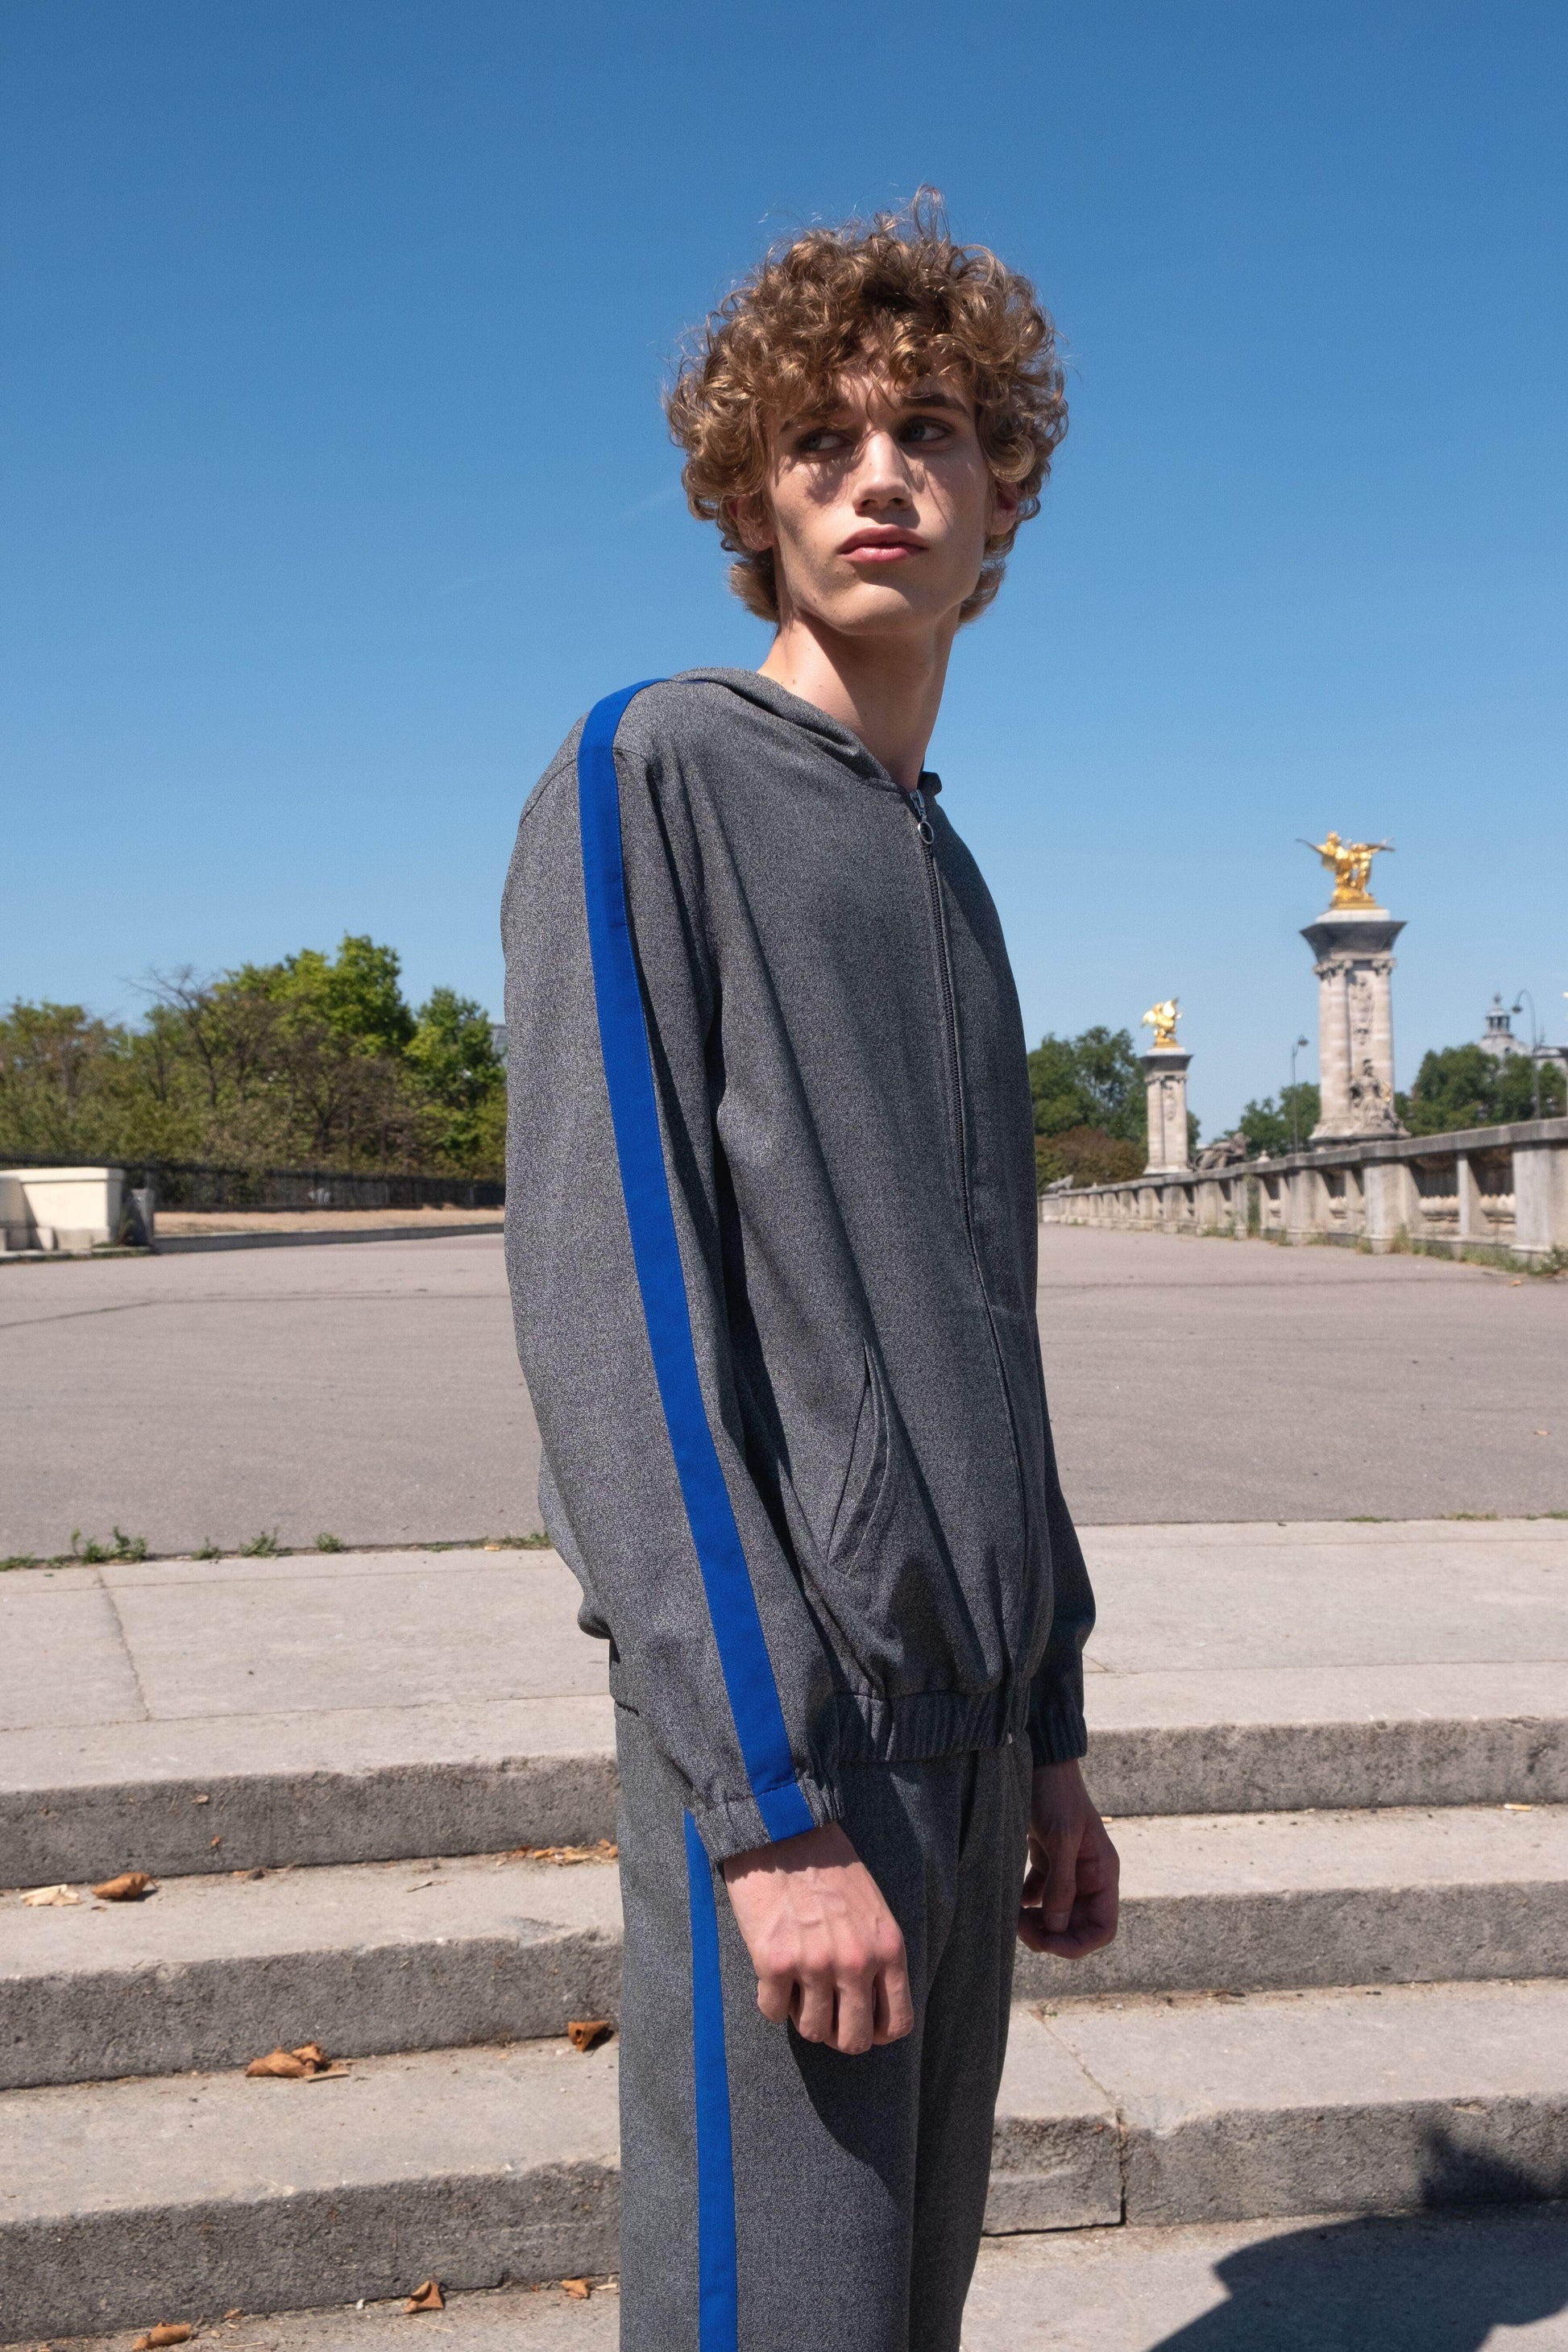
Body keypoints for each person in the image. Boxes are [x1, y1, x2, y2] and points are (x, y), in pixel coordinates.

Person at [502, 193, 1119, 2352]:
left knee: (897, 2320)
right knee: (786, 2322)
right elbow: (618, 1307)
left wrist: (1048, 1727)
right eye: (823, 441)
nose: (882, 477)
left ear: (998, 493)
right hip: (804, 1739)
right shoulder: (653, 770)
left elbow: (991, 1335)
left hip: (970, 1743)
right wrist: (764, 1812)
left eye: (931, 431)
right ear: (751, 501)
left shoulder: (950, 871)